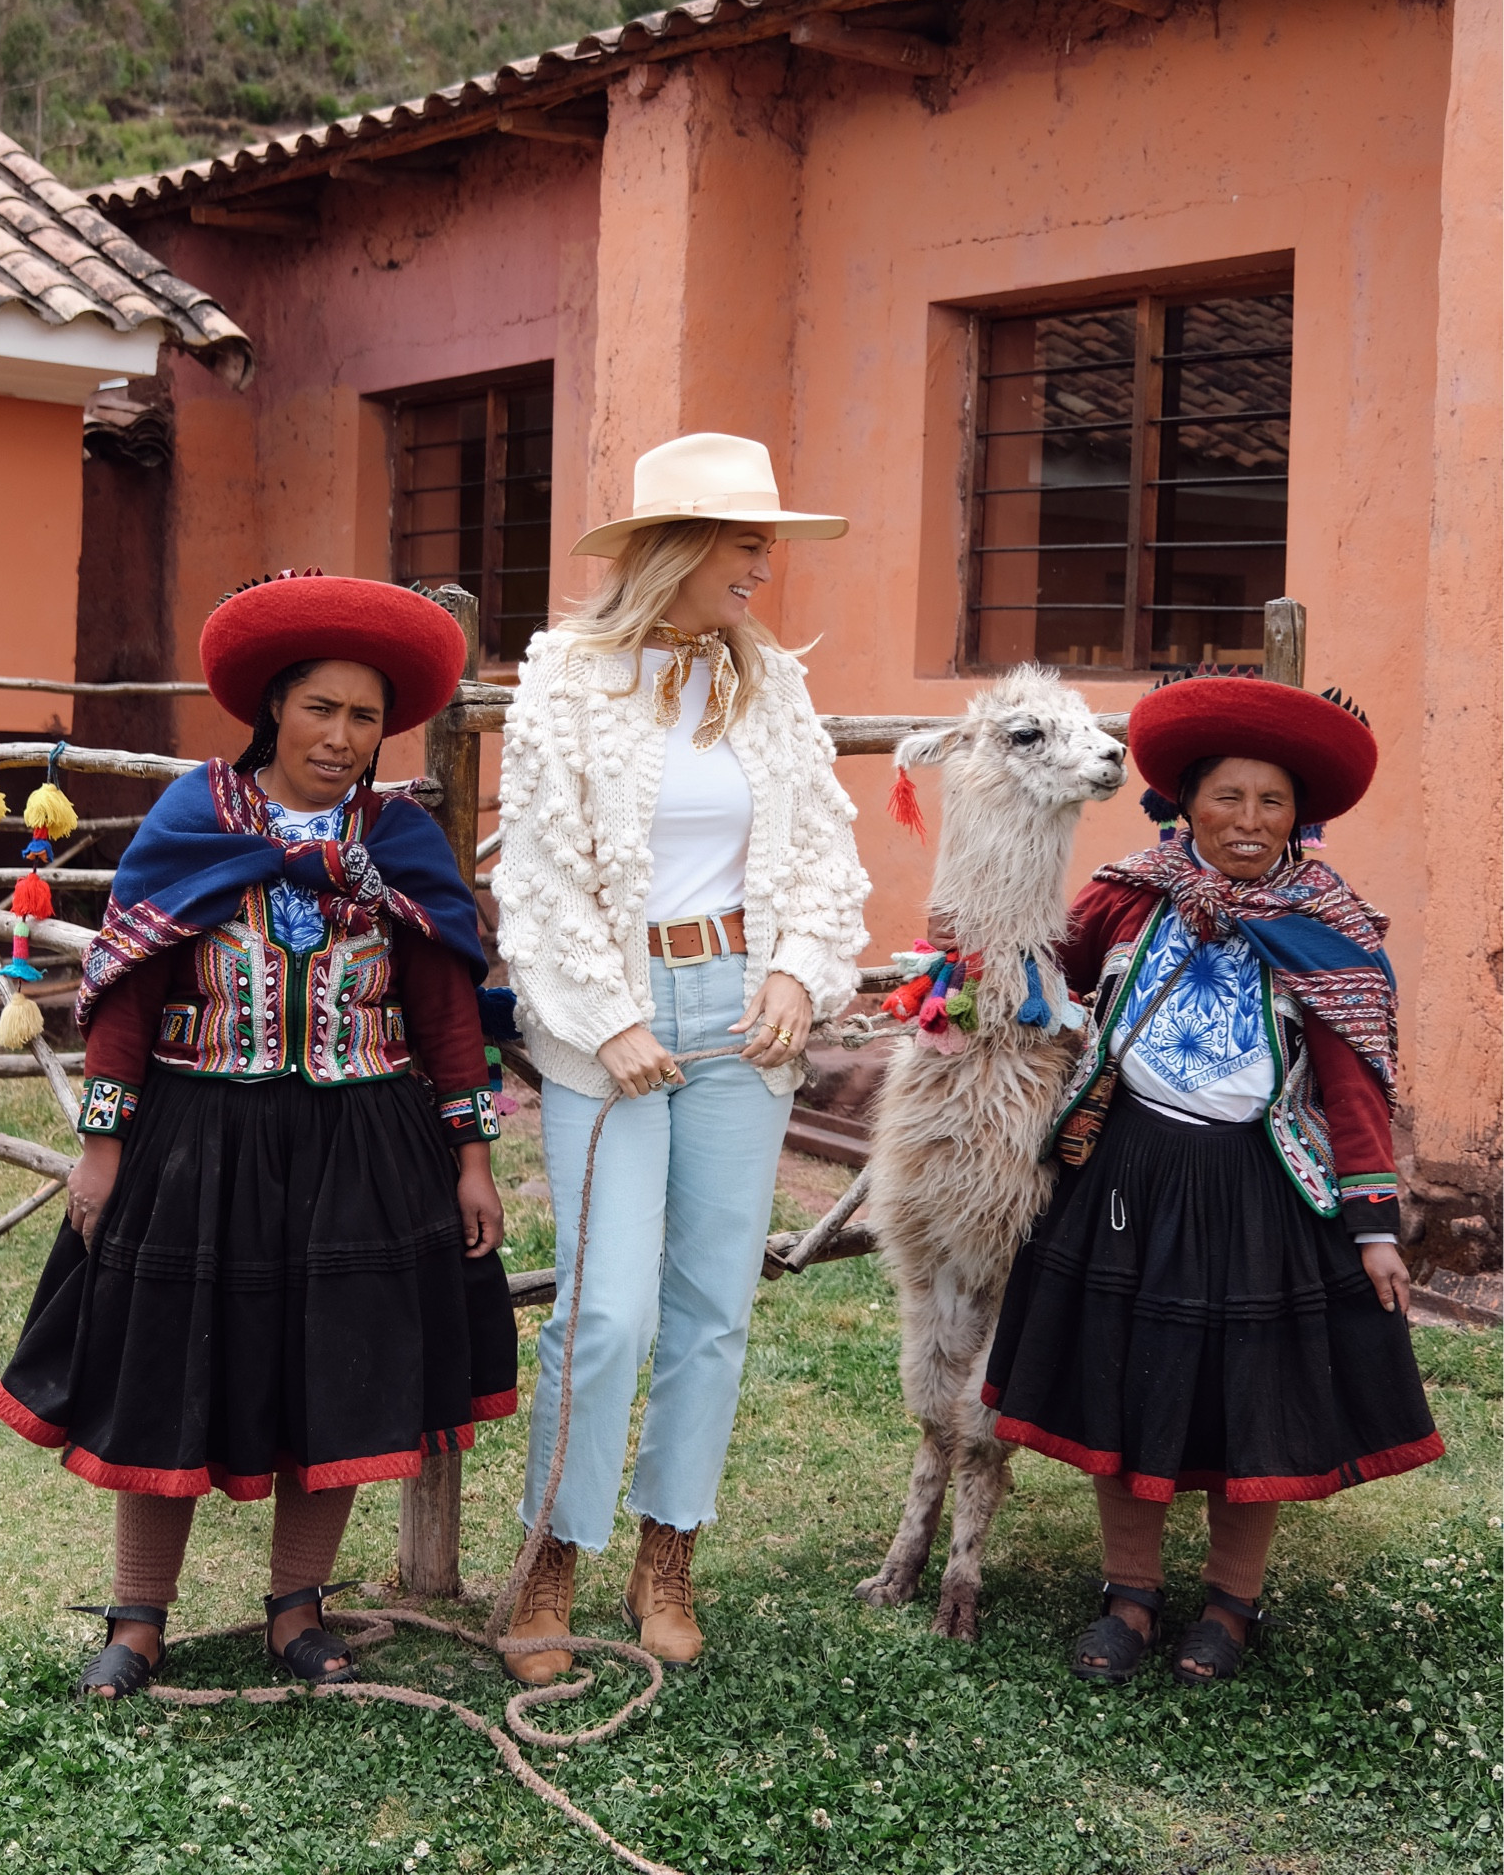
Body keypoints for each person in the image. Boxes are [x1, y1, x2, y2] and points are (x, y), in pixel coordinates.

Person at [0, 571, 517, 1698]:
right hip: (200, 1136)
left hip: (365, 1140)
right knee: (170, 1364)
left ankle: (296, 1610)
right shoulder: (195, 819)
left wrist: (470, 1154)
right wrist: (103, 1141)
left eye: (365, 716)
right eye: (320, 707)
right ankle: (139, 1618)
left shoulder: (400, 843)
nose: (340, 736)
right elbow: (128, 988)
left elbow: (445, 1010)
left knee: (342, 1370)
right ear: (274, 705)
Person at [492, 432, 870, 1678]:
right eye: (749, 540)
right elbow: (538, 873)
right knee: (606, 1309)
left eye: (768, 540)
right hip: (614, 1009)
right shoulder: (564, 678)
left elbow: (821, 852)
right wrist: (608, 1016)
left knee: (712, 1307)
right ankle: (552, 1555)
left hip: (740, 1007)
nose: (766, 563)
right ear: (680, 547)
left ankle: (670, 1553)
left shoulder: (775, 686)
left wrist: (796, 972)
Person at [982, 671, 1442, 1687]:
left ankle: (1231, 1603)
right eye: (1228, 796)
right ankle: (1129, 1595)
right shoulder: (1126, 894)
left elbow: (1352, 1083)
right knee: (1121, 1379)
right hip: (1126, 1175)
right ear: (1184, 800)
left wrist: (1372, 1225)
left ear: (1299, 816)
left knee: (1252, 1395)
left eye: (1272, 801)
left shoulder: (1325, 925)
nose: (1248, 820)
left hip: (1259, 1188)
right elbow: (1034, 971)